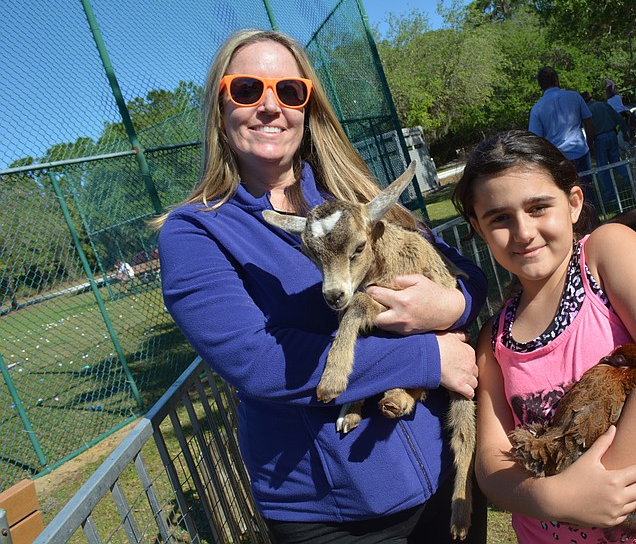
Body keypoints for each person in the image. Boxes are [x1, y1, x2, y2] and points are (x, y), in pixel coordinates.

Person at [155, 29, 489, 543]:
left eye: (290, 92)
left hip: (442, 473)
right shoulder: (196, 231)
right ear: (220, 106)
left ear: (308, 107)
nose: (271, 107)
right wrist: (428, 359)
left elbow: (466, 277)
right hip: (333, 510)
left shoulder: (352, 195)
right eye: (247, 90)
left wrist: (448, 305)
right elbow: (257, 362)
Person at [452, 129, 636, 543]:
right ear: (478, 227)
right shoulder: (493, 341)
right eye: (499, 218)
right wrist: (557, 499)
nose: (523, 232)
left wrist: (601, 486)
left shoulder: (604, 254)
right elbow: (492, 466)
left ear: (574, 203)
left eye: (538, 207)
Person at [528, 66, 595, 176]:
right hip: (580, 151)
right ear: (556, 79)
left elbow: (536, 139)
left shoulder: (537, 108)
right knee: (587, 189)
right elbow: (589, 122)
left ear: (540, 85)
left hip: (558, 158)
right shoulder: (574, 96)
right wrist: (590, 144)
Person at [582, 91, 631, 205]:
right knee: (617, 162)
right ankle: (632, 183)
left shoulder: (587, 111)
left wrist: (590, 145)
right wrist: (624, 133)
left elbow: (589, 129)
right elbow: (619, 118)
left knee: (603, 169)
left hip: (599, 139)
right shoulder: (603, 104)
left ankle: (611, 196)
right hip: (612, 134)